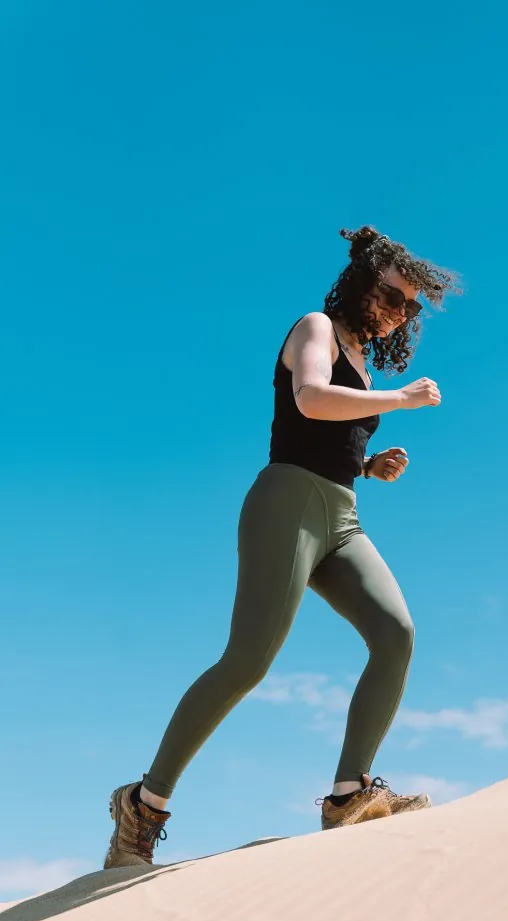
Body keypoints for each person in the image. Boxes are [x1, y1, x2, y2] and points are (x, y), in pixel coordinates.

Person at [104, 225, 461, 868]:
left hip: (341, 512)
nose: (398, 311)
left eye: (409, 306)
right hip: (287, 503)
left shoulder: (364, 355)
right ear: (361, 284)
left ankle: (349, 794)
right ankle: (143, 805)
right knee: (248, 661)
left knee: (396, 634)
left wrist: (369, 463)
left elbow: (332, 436)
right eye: (390, 295)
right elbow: (312, 399)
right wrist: (402, 401)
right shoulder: (315, 327)